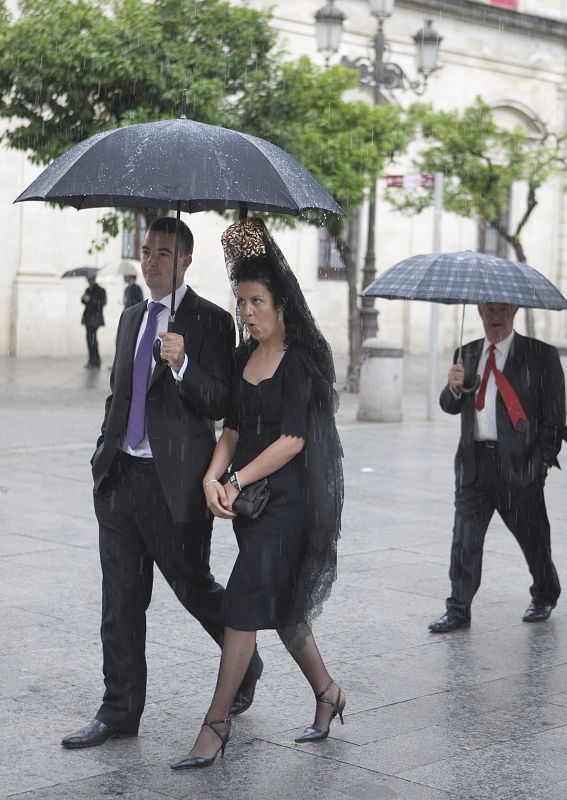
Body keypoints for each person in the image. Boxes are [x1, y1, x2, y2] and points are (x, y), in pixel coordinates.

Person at [62, 217, 262, 750]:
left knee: (194, 586)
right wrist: (103, 456)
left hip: (175, 484)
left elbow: (221, 401)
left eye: (164, 253)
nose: (151, 261)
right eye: (146, 251)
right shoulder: (130, 318)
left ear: (186, 261)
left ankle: (245, 660)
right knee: (121, 601)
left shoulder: (213, 321)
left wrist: (183, 363)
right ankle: (118, 711)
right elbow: (120, 394)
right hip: (121, 478)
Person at [171, 218, 344, 770]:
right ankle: (329, 694)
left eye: (256, 301)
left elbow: (292, 441)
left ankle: (215, 725)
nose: (246, 312)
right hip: (252, 508)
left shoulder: (301, 364)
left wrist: (236, 479)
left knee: (242, 608)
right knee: (289, 613)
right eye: (241, 301)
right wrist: (209, 477)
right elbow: (233, 432)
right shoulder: (245, 358)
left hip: (289, 507)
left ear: (282, 303)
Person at [429, 302, 564, 634]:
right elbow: (450, 405)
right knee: (464, 541)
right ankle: (458, 609)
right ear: (479, 311)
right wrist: (454, 386)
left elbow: (554, 421)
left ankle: (544, 593)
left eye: (503, 309)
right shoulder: (467, 352)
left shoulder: (540, 355)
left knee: (534, 539)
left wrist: (540, 465)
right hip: (475, 466)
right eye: (490, 309)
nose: (496, 316)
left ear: (515, 310)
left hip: (520, 467)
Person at [81, 274, 107, 368]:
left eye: (90, 279)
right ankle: (92, 359)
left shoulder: (100, 290)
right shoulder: (88, 289)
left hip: (95, 318)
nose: (88, 280)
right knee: (89, 338)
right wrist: (84, 299)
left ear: (94, 278)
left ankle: (95, 360)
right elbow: (84, 301)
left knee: (92, 339)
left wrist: (90, 299)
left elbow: (102, 302)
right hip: (88, 318)